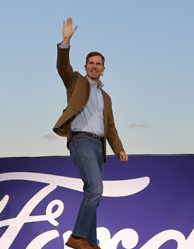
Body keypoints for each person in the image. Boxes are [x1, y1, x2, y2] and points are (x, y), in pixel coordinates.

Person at [52, 17, 129, 249]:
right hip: (81, 140)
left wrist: (120, 149)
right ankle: (77, 236)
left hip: (98, 147)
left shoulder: (106, 97)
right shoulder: (76, 82)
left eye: (98, 64)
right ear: (85, 67)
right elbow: (62, 68)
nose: (94, 66)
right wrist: (65, 42)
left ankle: (91, 241)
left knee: (92, 192)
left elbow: (111, 127)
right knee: (96, 189)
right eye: (91, 63)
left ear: (103, 69)